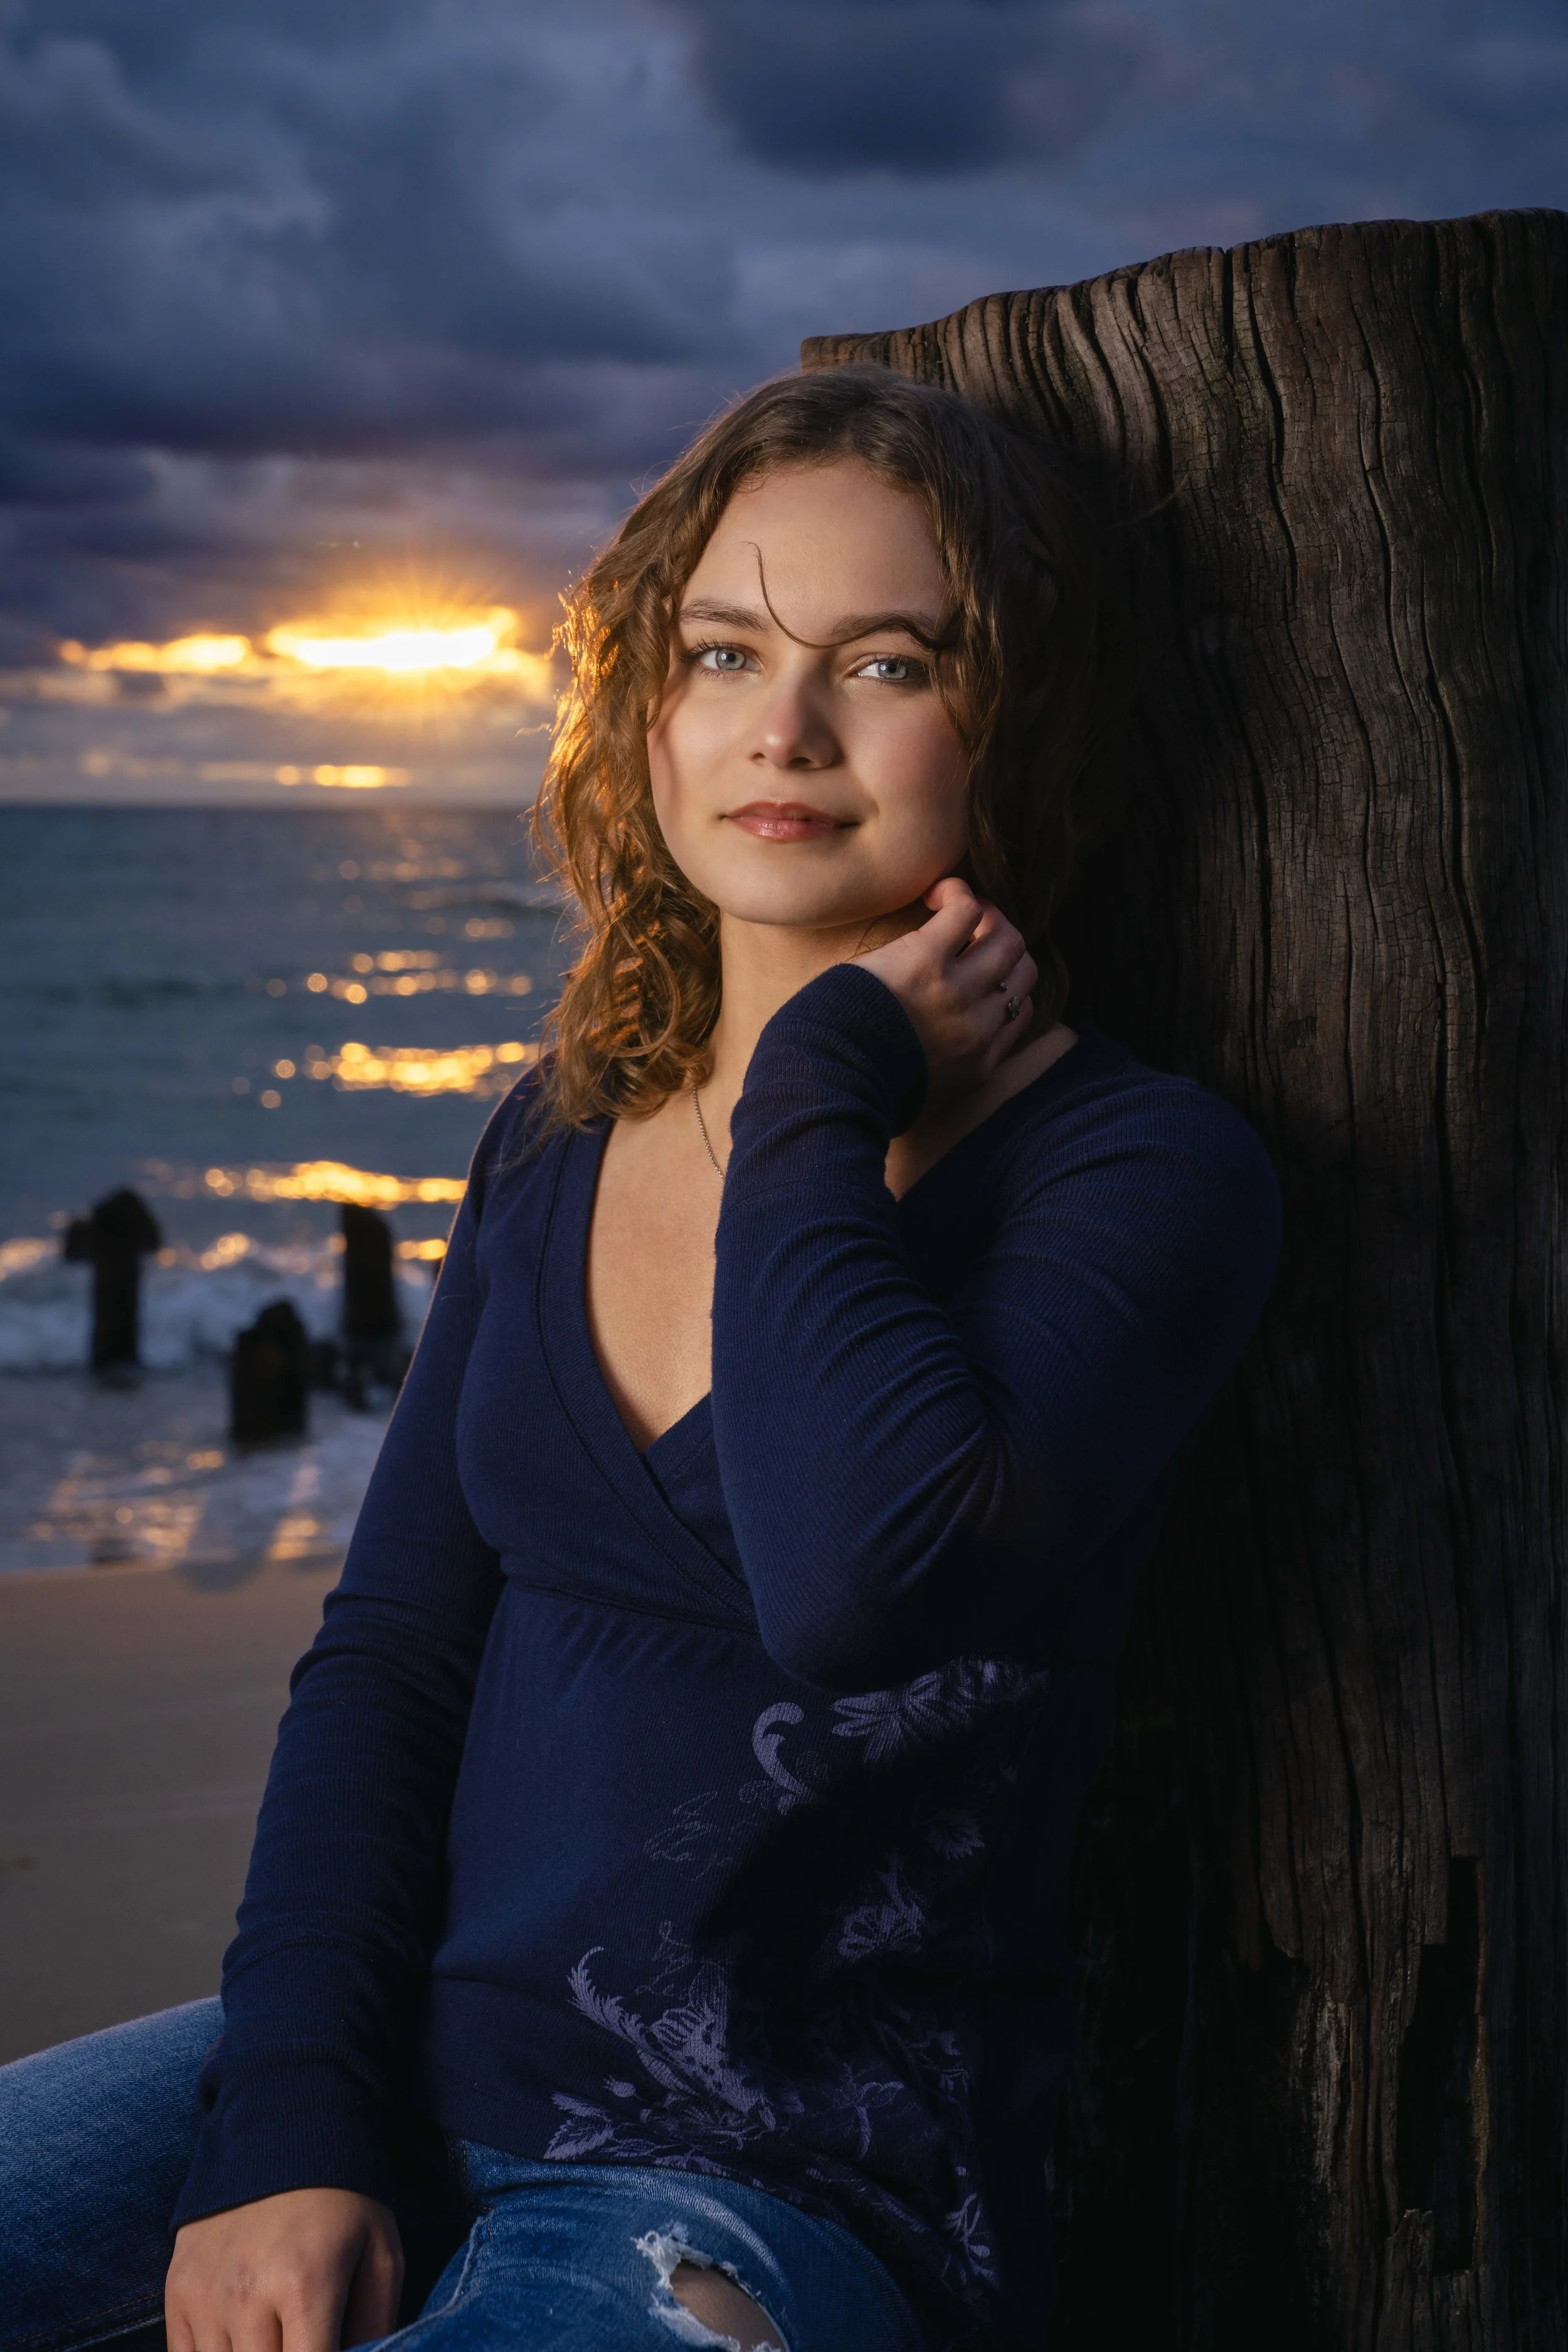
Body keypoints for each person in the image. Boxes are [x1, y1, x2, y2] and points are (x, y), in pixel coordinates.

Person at [0, 368, 1282, 2352]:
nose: (780, 727)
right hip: (401, 2059)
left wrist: (818, 1077)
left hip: (769, 2187)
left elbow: (858, 1575)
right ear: (649, 697)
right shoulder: (560, 1129)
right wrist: (288, 2125)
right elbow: (394, 1660)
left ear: (1013, 714)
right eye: (721, 649)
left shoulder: (1140, 1174)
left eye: (886, 658)